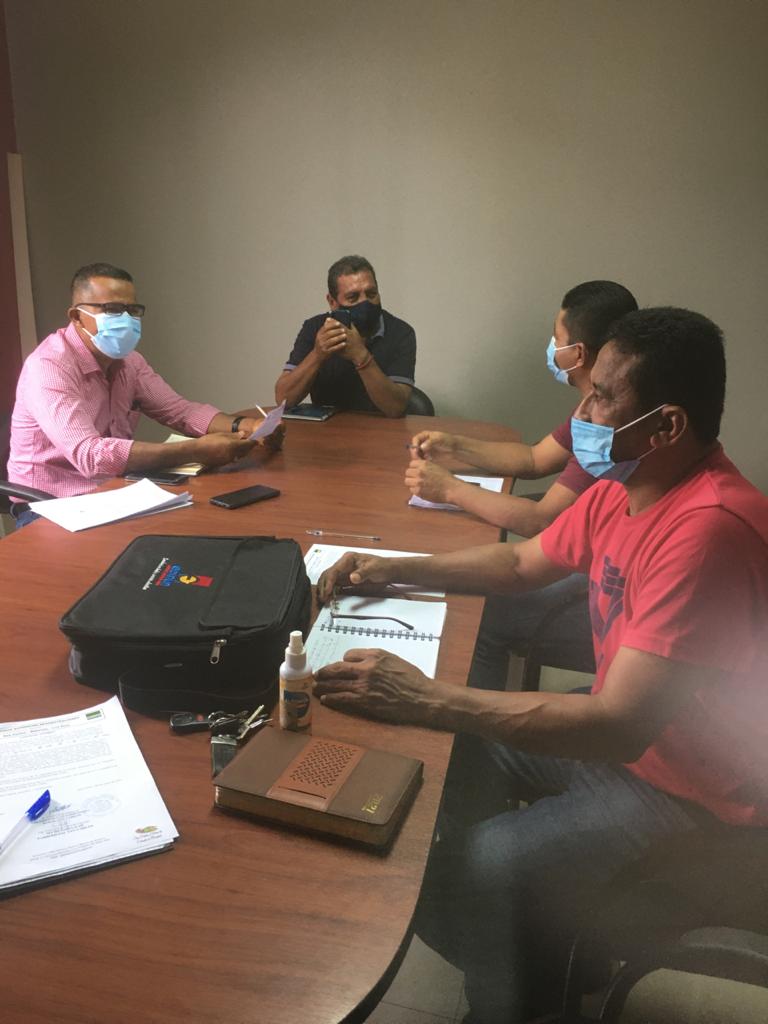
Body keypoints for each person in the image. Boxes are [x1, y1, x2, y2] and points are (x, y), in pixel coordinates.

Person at [314, 308, 768, 1023]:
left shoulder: (707, 530)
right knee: (441, 774)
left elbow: (617, 726)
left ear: (667, 426)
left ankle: (519, 991)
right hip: (640, 743)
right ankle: (538, 948)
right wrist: (392, 570)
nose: (581, 413)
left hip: (696, 793)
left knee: (471, 869)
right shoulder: (627, 486)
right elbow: (523, 563)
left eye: (602, 398)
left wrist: (426, 696)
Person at [408, 280, 638, 690]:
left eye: (557, 338)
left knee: (485, 613)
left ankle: (477, 720)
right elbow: (535, 458)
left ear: (578, 353)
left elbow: (541, 520)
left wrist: (449, 489)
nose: (552, 347)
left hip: (606, 580)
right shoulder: (596, 402)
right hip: (591, 547)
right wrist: (454, 445)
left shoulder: (607, 425)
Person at [8, 263, 282, 527]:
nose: (126, 319)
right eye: (112, 309)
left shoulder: (129, 362)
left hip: (113, 493)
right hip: (51, 507)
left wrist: (246, 425)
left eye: (132, 310)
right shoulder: (50, 366)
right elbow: (91, 456)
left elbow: (180, 411)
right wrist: (195, 451)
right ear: (77, 317)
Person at [274, 254, 416, 417]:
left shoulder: (401, 332)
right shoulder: (314, 328)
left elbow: (396, 407)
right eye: (353, 297)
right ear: (332, 302)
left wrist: (360, 355)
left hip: (380, 427)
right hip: (327, 427)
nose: (365, 303)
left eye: (371, 294)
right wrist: (318, 355)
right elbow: (283, 399)